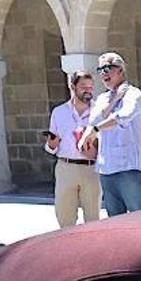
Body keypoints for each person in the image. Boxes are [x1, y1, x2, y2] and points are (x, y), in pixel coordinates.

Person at [80, 51, 141, 216]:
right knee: (114, 219)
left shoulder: (133, 94)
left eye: (107, 68)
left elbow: (124, 116)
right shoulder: (103, 98)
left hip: (127, 167)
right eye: (100, 70)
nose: (103, 73)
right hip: (106, 168)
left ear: (120, 70)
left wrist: (96, 129)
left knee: (138, 216)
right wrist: (113, 100)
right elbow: (94, 120)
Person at [45, 69, 100, 227]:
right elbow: (51, 146)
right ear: (72, 87)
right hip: (66, 167)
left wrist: (95, 149)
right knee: (65, 217)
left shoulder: (99, 112)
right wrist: (51, 144)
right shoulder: (59, 112)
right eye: (83, 87)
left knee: (93, 219)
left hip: (91, 169)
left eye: (90, 87)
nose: (88, 91)